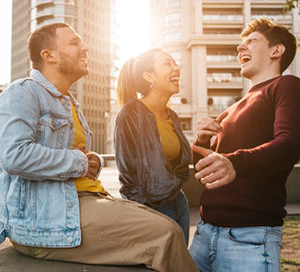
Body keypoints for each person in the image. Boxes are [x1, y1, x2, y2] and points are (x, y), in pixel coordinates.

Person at [0, 23, 199, 272]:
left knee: (166, 227)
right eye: (74, 43)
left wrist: (92, 162)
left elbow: (73, 159)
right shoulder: (23, 92)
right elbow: (14, 156)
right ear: (48, 55)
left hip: (85, 201)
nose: (85, 47)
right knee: (166, 233)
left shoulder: (70, 103)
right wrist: (79, 162)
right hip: (47, 221)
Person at [189, 18, 300, 271]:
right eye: (241, 44)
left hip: (250, 238)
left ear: (276, 51)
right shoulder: (231, 109)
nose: (241, 48)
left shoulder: (287, 86)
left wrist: (234, 163)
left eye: (251, 41)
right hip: (204, 233)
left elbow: (290, 143)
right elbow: (207, 171)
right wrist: (202, 140)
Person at [114, 49, 191, 244]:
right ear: (149, 76)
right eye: (168, 63)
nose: (176, 68)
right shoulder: (131, 114)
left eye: (176, 63)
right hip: (151, 211)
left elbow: (177, 164)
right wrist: (143, 220)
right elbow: (129, 177)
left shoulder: (172, 116)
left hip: (179, 204)